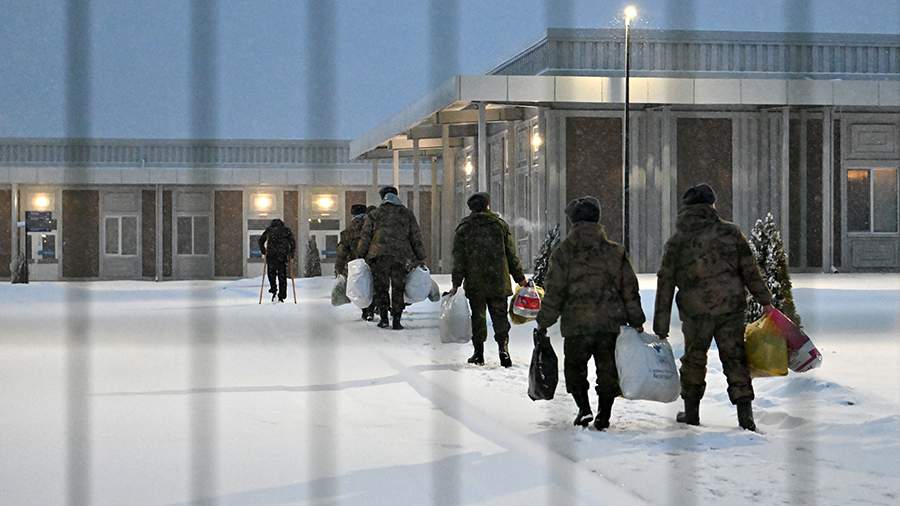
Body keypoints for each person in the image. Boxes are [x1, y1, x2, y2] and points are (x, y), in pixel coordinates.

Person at [654, 183, 773, 432]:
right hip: (730, 308)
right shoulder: (731, 233)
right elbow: (749, 270)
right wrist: (765, 300)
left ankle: (691, 413)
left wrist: (660, 325)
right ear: (712, 205)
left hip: (695, 311)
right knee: (735, 358)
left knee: (694, 359)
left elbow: (665, 283)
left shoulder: (677, 241)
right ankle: (745, 416)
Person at [535, 197, 645, 430]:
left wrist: (544, 321)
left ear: (573, 222)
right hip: (609, 323)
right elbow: (629, 289)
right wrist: (636, 319)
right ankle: (604, 414)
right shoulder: (614, 252)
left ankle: (584, 408)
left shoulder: (563, 253)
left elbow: (555, 292)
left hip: (576, 324)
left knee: (575, 369)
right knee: (608, 371)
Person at [449, 192, 526, 367]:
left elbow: (459, 259)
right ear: (487, 205)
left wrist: (456, 283)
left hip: (475, 281)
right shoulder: (499, 225)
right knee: (500, 316)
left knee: (478, 317)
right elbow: (511, 255)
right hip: (498, 280)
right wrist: (520, 278)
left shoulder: (464, 228)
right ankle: (503, 350)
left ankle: (479, 354)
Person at [357, 186, 427, 330]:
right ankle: (396, 320)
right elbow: (415, 236)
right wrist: (421, 256)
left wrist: (361, 254)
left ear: (383, 197)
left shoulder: (375, 214)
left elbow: (366, 236)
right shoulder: (406, 214)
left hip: (379, 256)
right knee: (398, 288)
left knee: (381, 288)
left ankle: (383, 318)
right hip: (400, 256)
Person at [335, 203, 373, 320]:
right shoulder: (372, 227)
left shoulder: (347, 232)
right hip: (372, 261)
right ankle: (373, 308)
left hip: (355, 264)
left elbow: (342, 252)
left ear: (352, 215)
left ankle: (365, 310)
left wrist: (339, 268)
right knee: (374, 285)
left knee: (361, 287)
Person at [258, 218, 296, 303]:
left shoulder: (269, 230)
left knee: (271, 275)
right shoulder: (286, 231)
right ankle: (281, 296)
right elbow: (292, 243)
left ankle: (274, 290)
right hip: (282, 257)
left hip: (271, 256)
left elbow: (261, 241)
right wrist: (291, 254)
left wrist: (263, 251)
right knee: (282, 277)